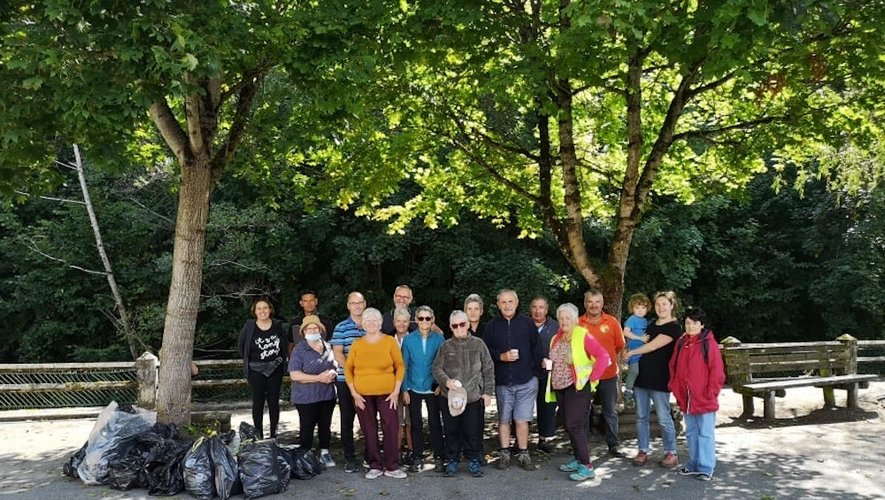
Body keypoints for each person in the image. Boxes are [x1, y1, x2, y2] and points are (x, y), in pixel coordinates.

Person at [543, 303, 610, 481]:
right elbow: (556, 361)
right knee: (568, 424)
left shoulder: (582, 335)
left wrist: (591, 378)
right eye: (561, 318)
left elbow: (604, 357)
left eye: (568, 318)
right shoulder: (556, 337)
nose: (564, 321)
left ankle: (587, 466)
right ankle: (578, 458)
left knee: (574, 425)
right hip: (561, 388)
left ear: (575, 319)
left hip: (578, 387)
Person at [345, 308, 407, 479]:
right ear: (363, 324)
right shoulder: (357, 344)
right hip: (362, 395)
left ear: (381, 323)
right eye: (368, 320)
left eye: (375, 320)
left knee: (391, 427)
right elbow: (348, 369)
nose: (372, 323)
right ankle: (375, 465)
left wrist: (396, 391)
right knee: (369, 430)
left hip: (388, 393)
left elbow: (400, 366)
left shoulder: (389, 341)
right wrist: (354, 394)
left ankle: (392, 466)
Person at [483, 289, 540, 471]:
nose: (507, 305)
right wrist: (501, 356)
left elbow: (537, 349)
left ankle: (524, 453)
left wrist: (535, 374)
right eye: (503, 302)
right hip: (502, 382)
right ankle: (505, 453)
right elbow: (485, 352)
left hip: (525, 381)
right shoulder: (491, 326)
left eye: (510, 301)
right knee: (504, 420)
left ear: (516, 302)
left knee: (522, 420)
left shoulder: (527, 323)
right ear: (498, 304)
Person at [432, 310, 495, 477]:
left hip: (473, 396)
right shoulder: (445, 346)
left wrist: (488, 392)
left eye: (462, 324)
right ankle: (452, 460)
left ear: (468, 324)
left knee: (472, 431)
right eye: (455, 325)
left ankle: (474, 460)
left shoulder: (479, 344)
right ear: (451, 327)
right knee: (451, 430)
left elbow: (488, 368)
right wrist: (446, 381)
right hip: (451, 397)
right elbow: (436, 368)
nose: (459, 328)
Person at [625, 290, 682, 468]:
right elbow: (635, 339)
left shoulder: (674, 327)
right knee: (641, 416)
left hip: (660, 379)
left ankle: (670, 453)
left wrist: (631, 352)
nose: (660, 307)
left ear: (672, 305)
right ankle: (643, 450)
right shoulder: (649, 325)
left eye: (664, 304)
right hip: (642, 376)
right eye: (657, 304)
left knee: (664, 417)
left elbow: (651, 346)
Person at [669, 308, 725, 481]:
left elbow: (717, 372)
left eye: (694, 323)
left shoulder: (709, 343)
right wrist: (676, 389)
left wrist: (711, 393)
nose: (691, 326)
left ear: (702, 325)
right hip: (686, 399)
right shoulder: (680, 343)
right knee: (691, 432)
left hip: (704, 398)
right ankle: (693, 464)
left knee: (706, 433)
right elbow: (673, 367)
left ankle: (706, 467)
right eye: (687, 322)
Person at [578, 289, 626, 457]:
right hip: (585, 376)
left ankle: (613, 444)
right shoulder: (578, 323)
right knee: (583, 411)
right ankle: (582, 444)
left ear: (602, 303)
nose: (594, 305)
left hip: (608, 375)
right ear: (585, 303)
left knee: (609, 411)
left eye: (597, 301)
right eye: (590, 302)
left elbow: (619, 345)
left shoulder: (612, 322)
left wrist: (608, 359)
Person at [288, 315, 337, 468]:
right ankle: (305, 457)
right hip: (306, 397)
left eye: (315, 328)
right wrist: (319, 378)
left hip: (327, 395)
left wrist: (333, 373)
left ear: (321, 330)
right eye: (309, 328)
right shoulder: (299, 350)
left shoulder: (328, 346)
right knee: (307, 427)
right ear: (304, 331)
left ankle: (324, 453)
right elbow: (295, 375)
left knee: (325, 426)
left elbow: (335, 365)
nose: (313, 330)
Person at [401, 305, 446, 472]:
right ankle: (417, 457)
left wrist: (441, 385)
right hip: (413, 387)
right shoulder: (409, 339)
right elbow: (403, 365)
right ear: (416, 320)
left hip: (433, 387)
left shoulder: (439, 339)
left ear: (432, 320)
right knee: (416, 425)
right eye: (421, 318)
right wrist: (404, 389)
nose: (425, 321)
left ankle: (439, 457)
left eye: (428, 318)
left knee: (435, 423)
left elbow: (443, 364)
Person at [238, 298, 287, 440]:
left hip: (275, 368)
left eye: (265, 308)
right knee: (257, 402)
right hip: (255, 369)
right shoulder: (249, 327)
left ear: (270, 310)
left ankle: (273, 434)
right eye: (259, 308)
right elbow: (242, 347)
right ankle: (258, 433)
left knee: (274, 402)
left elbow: (283, 346)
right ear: (254, 311)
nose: (262, 311)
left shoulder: (278, 325)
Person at [331, 291, 368, 473]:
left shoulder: (372, 326)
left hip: (368, 381)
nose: (357, 306)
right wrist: (352, 371)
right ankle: (349, 458)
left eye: (360, 303)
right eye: (353, 303)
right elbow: (338, 353)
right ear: (348, 305)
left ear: (364, 304)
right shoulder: (341, 328)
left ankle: (370, 456)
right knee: (347, 420)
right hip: (345, 380)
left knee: (368, 419)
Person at [530, 296, 559, 454]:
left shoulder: (556, 326)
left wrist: (552, 362)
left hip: (548, 373)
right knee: (523, 407)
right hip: (527, 373)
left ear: (547, 310)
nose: (537, 310)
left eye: (541, 307)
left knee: (546, 405)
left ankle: (544, 439)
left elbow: (562, 348)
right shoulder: (524, 325)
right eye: (534, 307)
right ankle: (520, 440)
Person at [391, 307, 413, 465]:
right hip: (392, 387)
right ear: (394, 322)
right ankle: (396, 452)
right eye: (398, 321)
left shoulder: (414, 339)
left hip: (410, 385)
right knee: (397, 420)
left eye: (405, 321)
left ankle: (412, 452)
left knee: (411, 420)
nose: (402, 324)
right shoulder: (388, 340)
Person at [623, 293, 651, 403]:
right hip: (633, 352)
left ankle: (637, 392)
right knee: (634, 371)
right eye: (637, 307)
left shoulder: (644, 320)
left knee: (641, 372)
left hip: (643, 351)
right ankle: (628, 391)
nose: (640, 310)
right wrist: (640, 338)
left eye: (643, 307)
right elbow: (626, 332)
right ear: (632, 308)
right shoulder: (632, 319)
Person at [289, 290, 336, 355]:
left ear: (316, 301)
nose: (309, 304)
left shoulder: (326, 321)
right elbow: (291, 345)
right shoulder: (295, 323)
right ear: (301, 303)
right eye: (305, 301)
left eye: (311, 300)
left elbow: (332, 343)